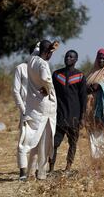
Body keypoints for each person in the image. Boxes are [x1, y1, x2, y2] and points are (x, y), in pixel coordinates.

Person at [18, 40, 59, 180]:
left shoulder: (32, 59)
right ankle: (41, 173)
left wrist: (50, 46)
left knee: (34, 140)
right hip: (45, 107)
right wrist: (47, 87)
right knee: (44, 142)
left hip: (34, 106)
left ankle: (30, 172)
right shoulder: (42, 63)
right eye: (50, 53)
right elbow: (44, 77)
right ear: (47, 52)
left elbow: (38, 46)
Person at [49, 50, 87, 173]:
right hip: (59, 115)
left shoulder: (80, 76)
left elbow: (83, 98)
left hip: (74, 117)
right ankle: (51, 168)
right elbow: (51, 92)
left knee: (73, 143)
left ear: (76, 60)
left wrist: (82, 118)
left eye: (71, 57)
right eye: (67, 56)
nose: (68, 58)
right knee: (54, 143)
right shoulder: (56, 75)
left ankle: (68, 167)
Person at [13, 44, 40, 180]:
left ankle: (33, 172)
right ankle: (23, 172)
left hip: (40, 111)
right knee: (23, 141)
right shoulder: (21, 68)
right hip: (26, 110)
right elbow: (16, 91)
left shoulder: (42, 69)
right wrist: (23, 109)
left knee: (38, 141)